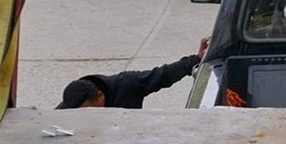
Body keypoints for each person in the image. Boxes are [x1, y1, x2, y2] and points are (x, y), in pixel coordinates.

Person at [56, 38, 208, 109]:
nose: (83, 119)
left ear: (100, 96)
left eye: (87, 113)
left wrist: (195, 60)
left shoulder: (127, 84)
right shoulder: (69, 108)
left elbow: (163, 75)